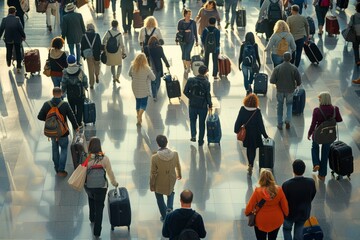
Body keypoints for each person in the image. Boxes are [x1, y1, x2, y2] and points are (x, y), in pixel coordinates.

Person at [37, 87, 79, 177]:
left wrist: (50, 121)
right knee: (64, 149)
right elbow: (71, 116)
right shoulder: (65, 104)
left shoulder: (46, 104)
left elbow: (40, 116)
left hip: (52, 132)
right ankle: (61, 170)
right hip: (63, 132)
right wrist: (76, 127)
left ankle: (56, 168)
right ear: (61, 94)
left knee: (54, 149)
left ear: (52, 93)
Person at [84, 137, 119, 238]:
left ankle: (92, 218)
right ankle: (97, 232)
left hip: (89, 186)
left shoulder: (87, 158)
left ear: (90, 146)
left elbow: (82, 172)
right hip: (101, 187)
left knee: (91, 199)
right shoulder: (104, 158)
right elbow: (110, 172)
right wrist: (114, 182)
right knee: (99, 207)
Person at [307, 91, 343, 181]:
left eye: (319, 99)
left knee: (314, 147)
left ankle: (316, 163)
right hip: (329, 135)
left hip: (318, 134)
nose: (319, 101)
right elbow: (339, 120)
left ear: (322, 100)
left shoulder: (317, 110)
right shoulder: (335, 109)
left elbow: (313, 124)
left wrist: (309, 133)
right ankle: (322, 175)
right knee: (325, 154)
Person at [245, 169, 289, 240]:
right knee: (273, 238)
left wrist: (247, 213)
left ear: (261, 178)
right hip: (276, 219)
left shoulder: (257, 191)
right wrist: (285, 214)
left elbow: (249, 207)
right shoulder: (279, 190)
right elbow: (285, 206)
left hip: (261, 221)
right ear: (271, 178)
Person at [234, 93, 269, 174]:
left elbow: (238, 121)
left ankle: (250, 164)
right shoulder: (257, 111)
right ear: (255, 102)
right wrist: (265, 135)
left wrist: (236, 130)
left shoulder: (242, 109)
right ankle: (251, 164)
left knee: (248, 149)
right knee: (253, 149)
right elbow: (261, 125)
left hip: (247, 134)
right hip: (255, 134)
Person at [282, 159, 317, 240]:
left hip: (289, 214)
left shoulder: (287, 184)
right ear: (304, 170)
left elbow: (283, 200)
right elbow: (312, 195)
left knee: (286, 229)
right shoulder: (311, 182)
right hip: (304, 212)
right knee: (299, 231)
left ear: (293, 170)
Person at [150, 135, 182, 222]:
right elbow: (178, 165)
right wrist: (179, 174)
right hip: (171, 179)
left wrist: (152, 185)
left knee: (159, 196)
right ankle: (169, 209)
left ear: (158, 144)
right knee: (170, 192)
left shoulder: (154, 157)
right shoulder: (175, 154)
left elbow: (153, 173)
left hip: (159, 180)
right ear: (167, 142)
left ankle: (164, 216)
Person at [270, 52, 301, 130]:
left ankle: (279, 123)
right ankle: (288, 121)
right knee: (289, 105)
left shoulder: (277, 68)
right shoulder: (294, 68)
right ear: (290, 58)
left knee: (279, 106)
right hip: (290, 90)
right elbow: (299, 80)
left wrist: (277, 82)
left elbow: (272, 80)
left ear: (283, 58)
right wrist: (296, 84)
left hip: (280, 90)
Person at [183, 65, 213, 146]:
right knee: (201, 123)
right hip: (202, 106)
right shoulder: (207, 83)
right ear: (206, 72)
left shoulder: (190, 80)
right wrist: (210, 105)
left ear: (198, 71)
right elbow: (208, 95)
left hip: (192, 105)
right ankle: (200, 140)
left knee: (192, 121)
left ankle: (193, 135)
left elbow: (185, 91)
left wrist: (191, 97)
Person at [129, 53, 156, 126]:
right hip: (144, 87)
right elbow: (153, 78)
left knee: (138, 101)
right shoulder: (146, 68)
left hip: (135, 86)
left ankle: (138, 118)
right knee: (144, 103)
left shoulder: (133, 66)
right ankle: (139, 116)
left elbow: (129, 74)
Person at [61, 55, 89, 126]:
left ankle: (74, 123)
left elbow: (63, 83)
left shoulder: (65, 72)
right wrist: (86, 86)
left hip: (70, 93)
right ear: (75, 61)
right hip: (80, 92)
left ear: (67, 61)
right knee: (80, 108)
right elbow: (85, 78)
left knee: (72, 109)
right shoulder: (79, 70)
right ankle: (79, 122)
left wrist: (62, 91)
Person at [0, 6, 26, 73]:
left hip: (8, 38)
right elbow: (21, 29)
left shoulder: (4, 19)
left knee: (9, 50)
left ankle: (8, 61)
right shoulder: (17, 19)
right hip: (17, 38)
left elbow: (1, 29)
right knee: (18, 52)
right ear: (14, 12)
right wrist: (23, 36)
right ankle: (18, 67)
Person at [144, 36, 170, 101]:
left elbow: (144, 58)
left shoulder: (146, 48)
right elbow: (163, 57)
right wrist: (167, 64)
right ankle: (156, 92)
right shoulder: (159, 48)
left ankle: (154, 95)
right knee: (158, 80)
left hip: (150, 66)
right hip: (158, 66)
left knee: (153, 81)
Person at [177, 8, 198, 74]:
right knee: (183, 53)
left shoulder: (193, 22)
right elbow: (178, 30)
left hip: (190, 40)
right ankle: (185, 67)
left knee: (187, 52)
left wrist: (197, 40)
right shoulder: (180, 22)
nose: (189, 15)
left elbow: (195, 31)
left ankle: (188, 68)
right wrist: (185, 31)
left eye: (190, 14)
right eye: (188, 14)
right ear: (185, 14)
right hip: (182, 40)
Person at [81, 23, 101, 89]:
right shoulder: (97, 35)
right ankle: (97, 75)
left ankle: (91, 84)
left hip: (88, 55)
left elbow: (82, 47)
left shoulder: (84, 36)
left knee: (90, 69)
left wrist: (83, 55)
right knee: (97, 65)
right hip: (96, 54)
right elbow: (99, 45)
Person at [349, 2, 360, 67]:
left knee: (355, 48)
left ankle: (357, 61)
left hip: (356, 35)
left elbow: (350, 25)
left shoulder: (353, 17)